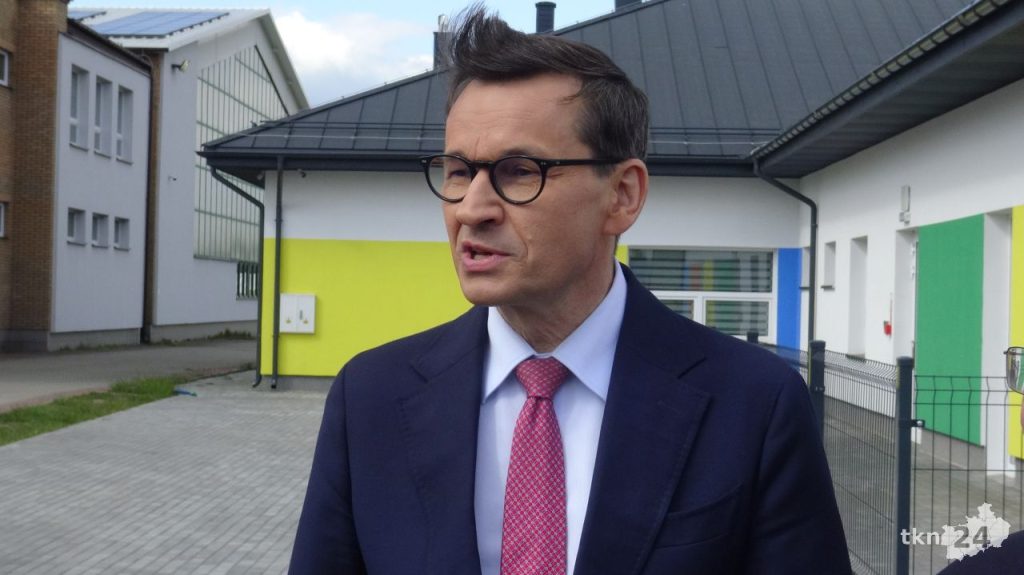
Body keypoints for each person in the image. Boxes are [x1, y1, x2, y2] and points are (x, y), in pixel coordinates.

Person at [290, 7, 851, 574]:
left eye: (519, 170)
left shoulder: (754, 404)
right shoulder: (371, 398)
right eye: (458, 171)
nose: (472, 209)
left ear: (623, 195)